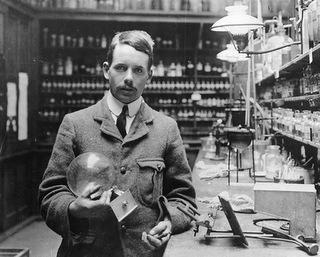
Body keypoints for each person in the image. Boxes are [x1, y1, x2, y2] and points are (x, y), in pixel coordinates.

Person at [38, 30, 197, 257]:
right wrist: (73, 209)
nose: (129, 77)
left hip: (143, 252)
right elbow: (50, 195)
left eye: (138, 70)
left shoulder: (166, 128)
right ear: (106, 70)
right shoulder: (75, 123)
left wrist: (170, 221)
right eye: (121, 67)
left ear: (149, 76)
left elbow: (184, 199)